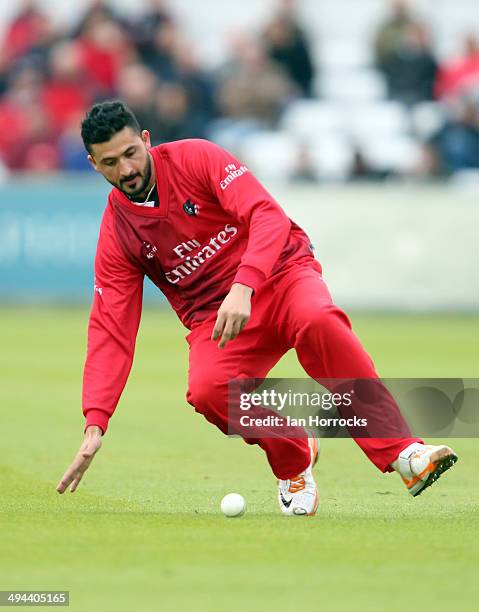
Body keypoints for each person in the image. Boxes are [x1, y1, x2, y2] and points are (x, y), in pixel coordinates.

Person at [56, 101, 458, 515]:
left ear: (145, 141)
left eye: (130, 154)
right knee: (209, 391)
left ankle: (403, 452)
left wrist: (244, 284)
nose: (126, 171)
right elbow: (111, 328)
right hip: (216, 317)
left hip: (281, 274)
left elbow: (266, 215)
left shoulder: (197, 157)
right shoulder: (117, 233)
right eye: (110, 163)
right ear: (92, 164)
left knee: (320, 321)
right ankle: (294, 458)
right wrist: (96, 420)